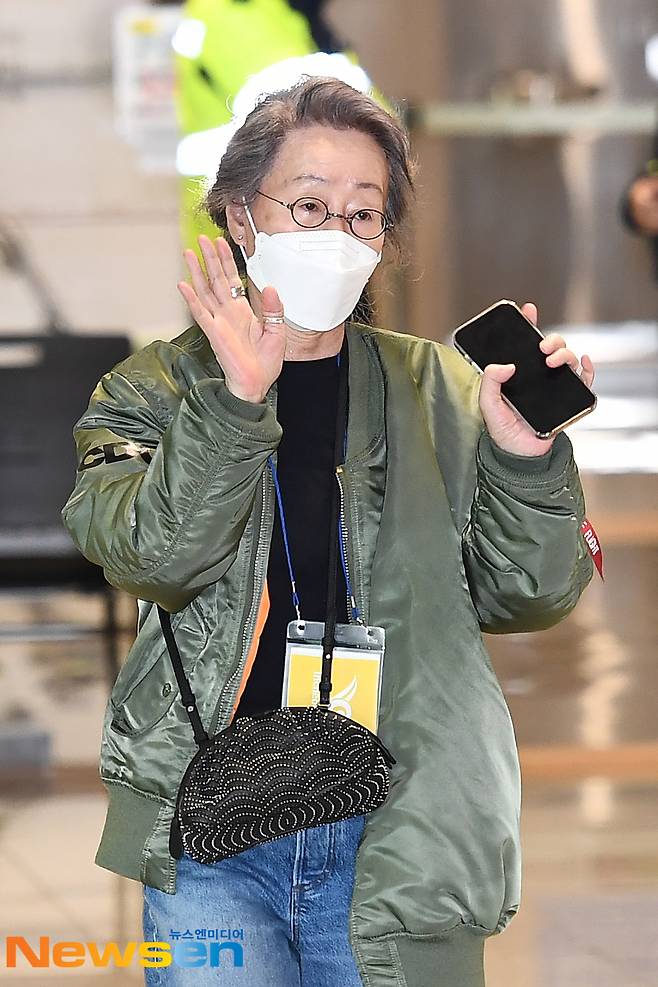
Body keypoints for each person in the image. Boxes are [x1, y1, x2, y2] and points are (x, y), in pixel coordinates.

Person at [61, 76, 596, 987]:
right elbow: (153, 558)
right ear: (240, 215)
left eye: (363, 215)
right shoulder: (149, 391)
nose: (336, 236)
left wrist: (521, 454)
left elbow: (531, 595)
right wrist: (234, 404)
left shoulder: (444, 390)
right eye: (308, 206)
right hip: (215, 828)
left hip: (405, 821)